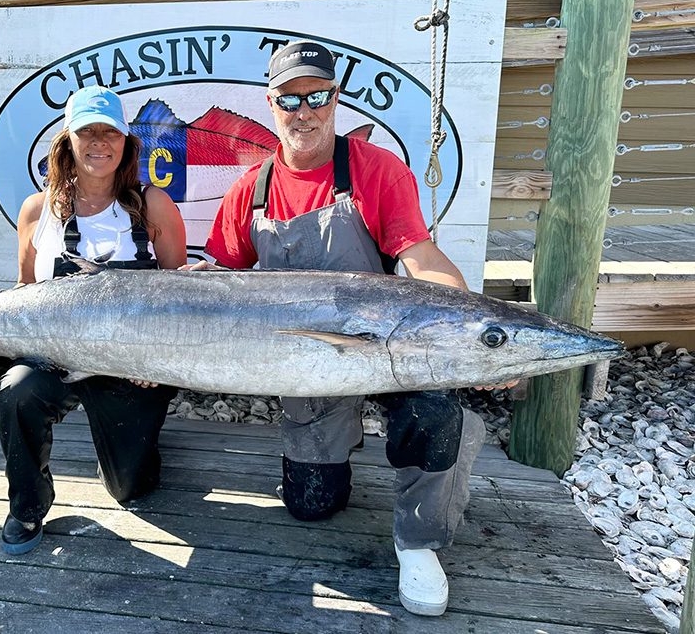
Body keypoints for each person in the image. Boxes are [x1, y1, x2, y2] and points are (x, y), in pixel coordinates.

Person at [186, 41, 510, 617]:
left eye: (317, 96)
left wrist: (478, 331)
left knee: (434, 413)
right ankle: (339, 445)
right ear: (271, 102)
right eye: (290, 99)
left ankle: (419, 543)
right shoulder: (249, 189)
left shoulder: (377, 170)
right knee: (312, 507)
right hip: (312, 365)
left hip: (389, 344)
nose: (304, 111)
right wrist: (186, 284)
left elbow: (422, 257)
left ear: (335, 99)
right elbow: (222, 280)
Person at [0, 85, 186, 556]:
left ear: (126, 142)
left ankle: (140, 449)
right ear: (67, 139)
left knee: (130, 490)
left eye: (110, 132)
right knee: (14, 393)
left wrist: (158, 365)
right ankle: (26, 505)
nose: (99, 142)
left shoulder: (153, 206)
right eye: (87, 131)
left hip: (130, 370)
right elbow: (26, 292)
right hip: (53, 359)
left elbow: (178, 301)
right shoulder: (36, 211)